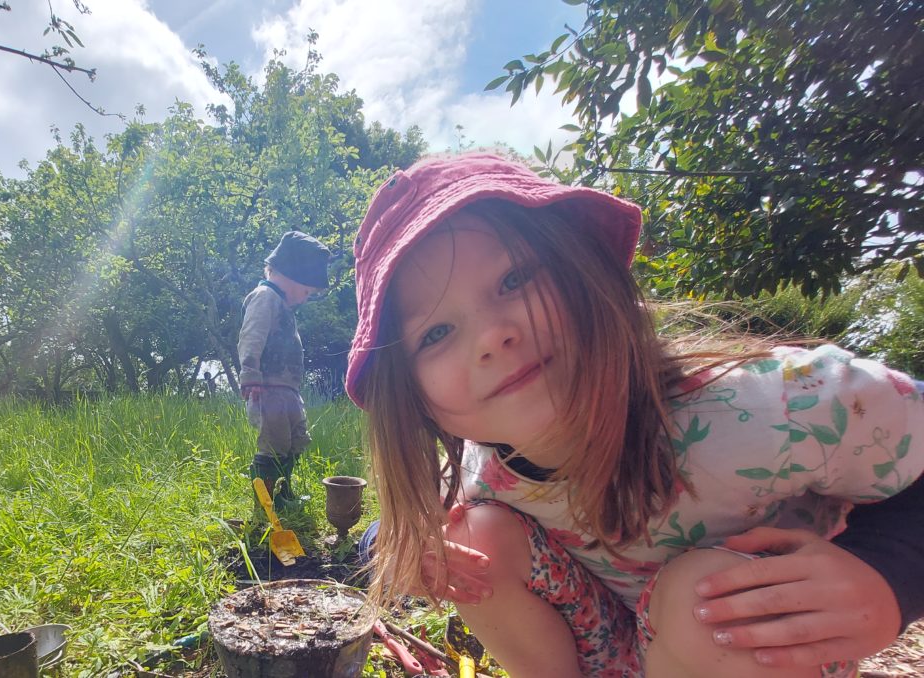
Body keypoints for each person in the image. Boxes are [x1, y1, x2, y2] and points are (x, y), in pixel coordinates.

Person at [344, 153, 924, 677]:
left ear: (586, 270)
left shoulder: (774, 408)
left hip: (744, 647)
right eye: (437, 333)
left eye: (514, 278)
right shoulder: (489, 462)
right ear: (415, 402)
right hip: (613, 654)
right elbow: (401, 531)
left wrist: (890, 573)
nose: (492, 336)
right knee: (472, 538)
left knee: (700, 599)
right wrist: (406, 551)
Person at [238, 230, 330, 509]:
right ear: (289, 276)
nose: (304, 298)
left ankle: (283, 494)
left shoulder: (282, 305)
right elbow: (251, 335)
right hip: (268, 388)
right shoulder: (264, 297)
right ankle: (264, 505)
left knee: (296, 440)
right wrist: (250, 374)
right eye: (305, 291)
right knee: (274, 444)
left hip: (288, 390)